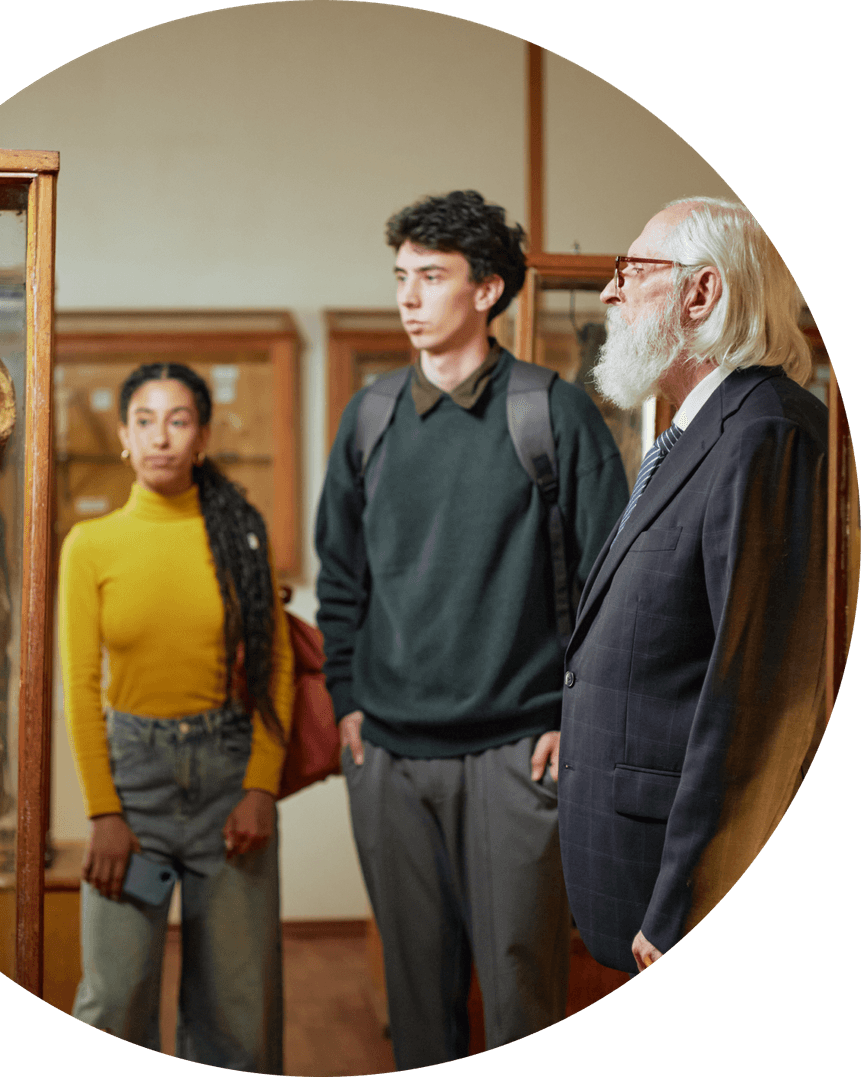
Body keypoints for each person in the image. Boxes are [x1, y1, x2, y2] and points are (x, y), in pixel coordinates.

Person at [314, 190, 630, 1069]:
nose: (408, 298)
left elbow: (614, 586)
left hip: (517, 752)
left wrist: (578, 717)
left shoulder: (551, 414)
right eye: (401, 278)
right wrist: (346, 700)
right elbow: (340, 579)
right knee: (416, 1004)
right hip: (387, 755)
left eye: (432, 277)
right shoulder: (370, 418)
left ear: (487, 290)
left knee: (524, 993)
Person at [557, 198, 829, 975]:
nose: (609, 293)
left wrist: (693, 898)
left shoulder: (767, 433)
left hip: (689, 892)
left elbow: (763, 700)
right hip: (640, 857)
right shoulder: (693, 431)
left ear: (701, 294)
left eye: (631, 271)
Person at [58, 362, 292, 1072]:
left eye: (179, 419)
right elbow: (78, 683)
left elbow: (275, 669)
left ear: (202, 437)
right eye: (145, 420)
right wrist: (104, 811)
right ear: (124, 438)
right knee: (113, 1002)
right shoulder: (90, 546)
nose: (161, 436)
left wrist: (260, 787)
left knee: (238, 1011)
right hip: (135, 792)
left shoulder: (242, 535)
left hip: (229, 783)